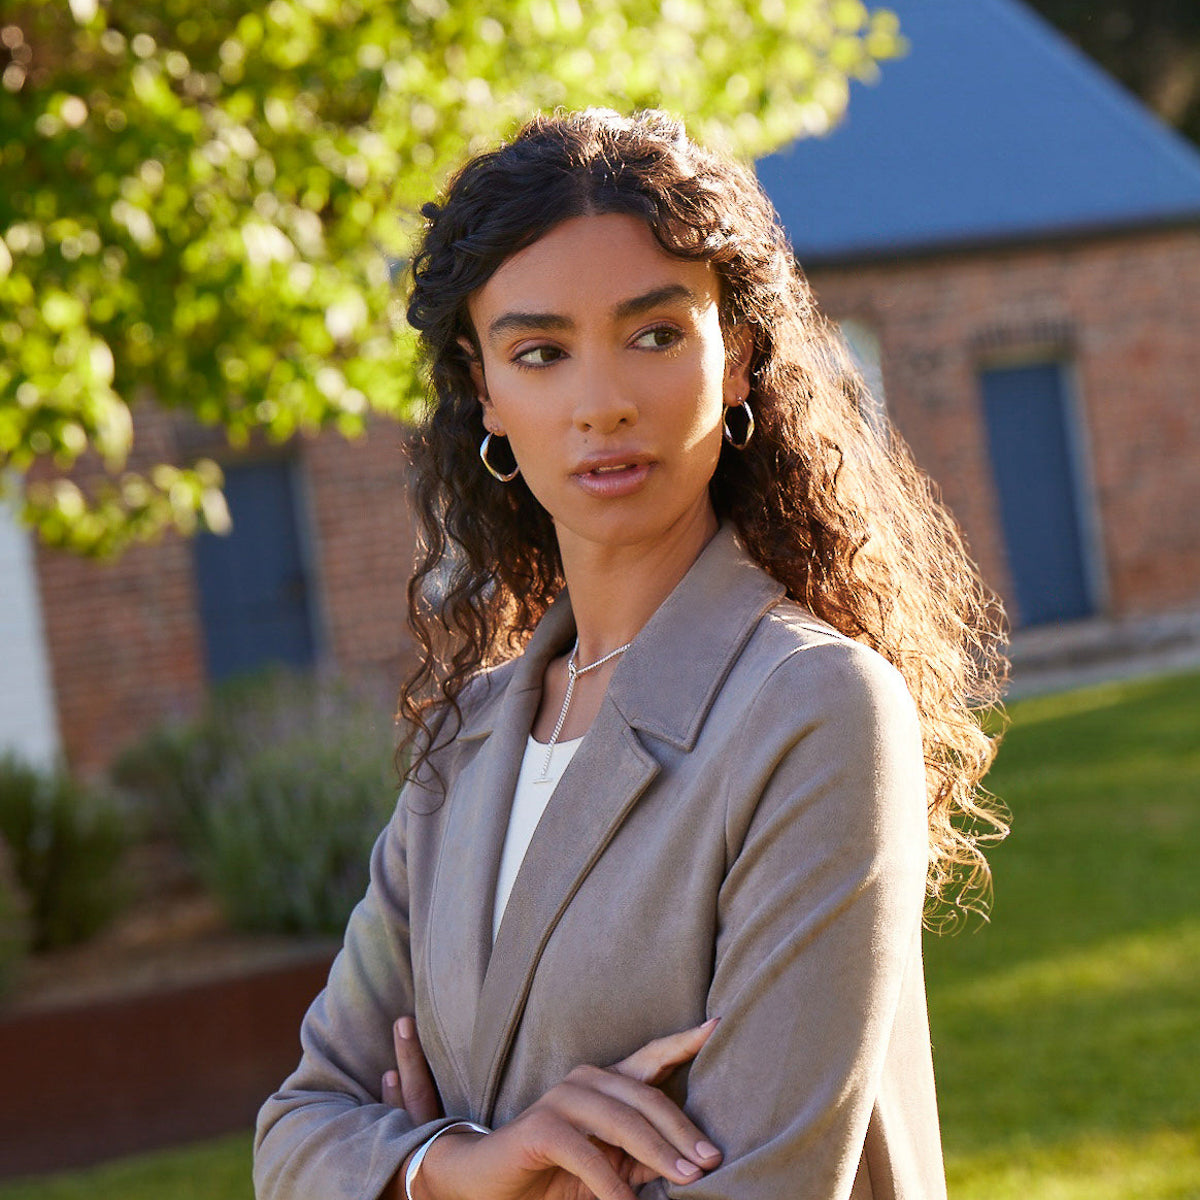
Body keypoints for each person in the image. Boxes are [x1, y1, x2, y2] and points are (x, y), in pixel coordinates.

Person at [254, 108, 1007, 1200]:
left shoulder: (815, 707)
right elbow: (294, 1136)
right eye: (541, 353)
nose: (602, 405)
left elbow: (759, 1187)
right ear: (486, 392)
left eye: (655, 335)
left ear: (736, 356)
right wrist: (464, 1165)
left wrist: (414, 1166)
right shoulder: (466, 742)